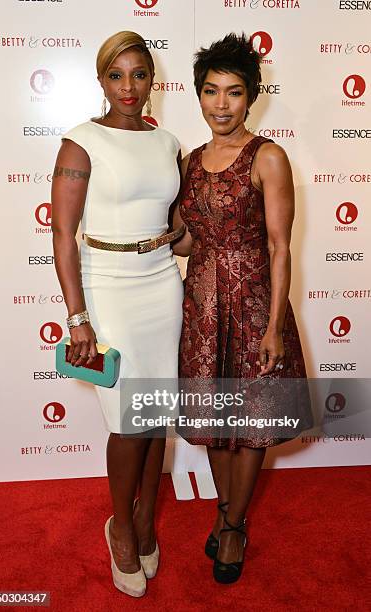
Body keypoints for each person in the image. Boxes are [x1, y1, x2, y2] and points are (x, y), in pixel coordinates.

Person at [172, 33, 312, 584]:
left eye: (233, 92)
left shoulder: (268, 156)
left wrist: (275, 324)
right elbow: (187, 240)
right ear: (199, 95)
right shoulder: (190, 160)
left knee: (250, 421)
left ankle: (233, 523)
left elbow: (280, 246)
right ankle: (227, 510)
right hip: (202, 304)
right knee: (214, 418)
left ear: (251, 96)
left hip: (253, 304)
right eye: (211, 91)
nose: (221, 104)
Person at [51, 31, 184, 598]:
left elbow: (176, 226)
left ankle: (150, 517)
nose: (128, 87)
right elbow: (61, 232)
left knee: (157, 416)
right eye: (116, 75)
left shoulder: (168, 142)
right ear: (102, 80)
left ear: (152, 79)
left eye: (138, 74)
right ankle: (121, 526)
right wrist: (78, 318)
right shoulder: (81, 143)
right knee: (129, 423)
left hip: (162, 285)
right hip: (108, 289)